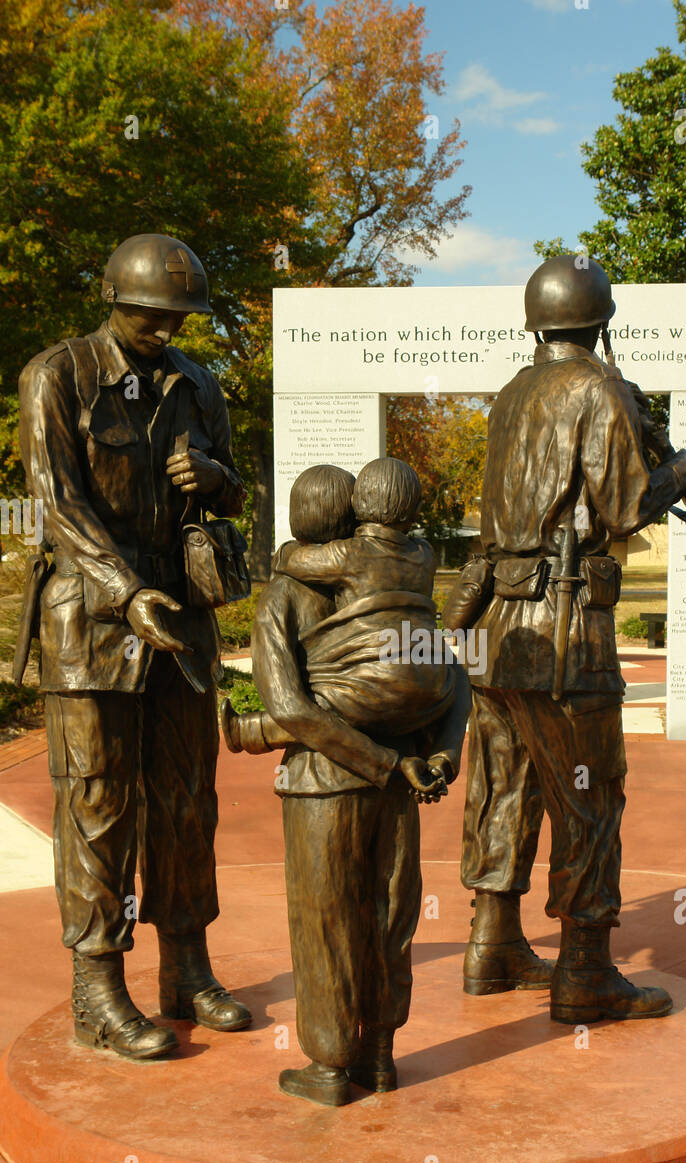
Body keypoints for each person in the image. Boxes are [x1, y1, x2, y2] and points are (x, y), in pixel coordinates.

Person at [448, 255, 686, 1020]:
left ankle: (490, 947)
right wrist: (682, 466)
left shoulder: (508, 397)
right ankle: (585, 969)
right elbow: (625, 508)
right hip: (565, 633)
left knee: (503, 785)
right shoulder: (597, 389)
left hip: (497, 628)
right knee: (590, 796)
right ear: (599, 322)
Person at [16, 233, 251, 1060]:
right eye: (152, 315)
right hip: (91, 616)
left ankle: (186, 966)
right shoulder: (59, 375)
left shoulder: (197, 385)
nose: (165, 329)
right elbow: (58, 502)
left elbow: (237, 485)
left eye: (177, 318)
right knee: (97, 804)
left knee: (188, 802)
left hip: (181, 614)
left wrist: (214, 480)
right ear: (116, 300)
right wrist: (126, 591)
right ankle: (98, 986)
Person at [225, 464, 470, 1106]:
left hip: (325, 783)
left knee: (326, 919)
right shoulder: (408, 578)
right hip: (399, 778)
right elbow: (448, 672)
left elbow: (293, 712)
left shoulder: (284, 593)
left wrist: (387, 765)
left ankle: (330, 1067)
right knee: (389, 915)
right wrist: (438, 752)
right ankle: (380, 1056)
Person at [223, 458, 455, 752]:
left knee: (328, 705)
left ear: (358, 504)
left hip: (373, 684)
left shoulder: (347, 556)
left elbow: (293, 561)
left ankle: (254, 730)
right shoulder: (425, 553)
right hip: (430, 676)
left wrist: (283, 553)